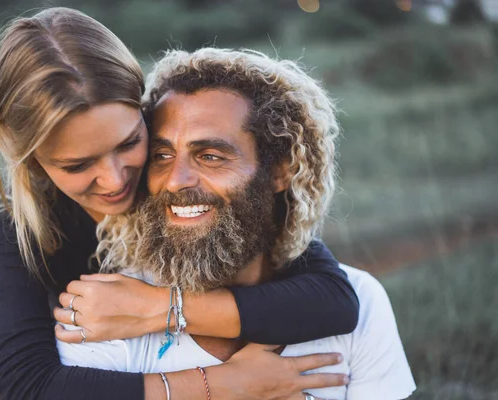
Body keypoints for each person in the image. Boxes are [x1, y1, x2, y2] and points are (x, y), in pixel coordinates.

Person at [0, 7, 359, 400]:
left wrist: (161, 307)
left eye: (128, 143)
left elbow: (333, 302)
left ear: (143, 112)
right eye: (77, 164)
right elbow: (25, 388)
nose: (115, 180)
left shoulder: (167, 179)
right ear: (31, 159)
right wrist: (224, 386)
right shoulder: (13, 230)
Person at [56, 47, 417, 400]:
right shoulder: (105, 312)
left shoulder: (361, 300)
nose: (176, 180)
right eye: (162, 156)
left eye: (210, 156)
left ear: (281, 169)